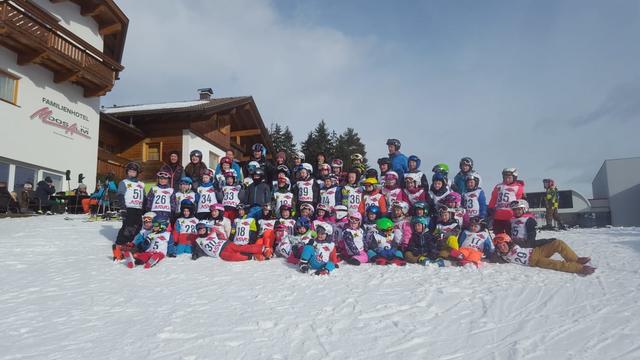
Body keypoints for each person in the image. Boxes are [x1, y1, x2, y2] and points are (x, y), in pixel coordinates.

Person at [492, 233, 595, 275]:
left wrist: (548, 241)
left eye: (503, 244)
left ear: (509, 243)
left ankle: (575, 259)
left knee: (558, 243)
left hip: (537, 251)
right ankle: (579, 268)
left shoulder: (516, 244)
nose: (502, 247)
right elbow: (491, 257)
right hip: (535, 261)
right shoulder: (502, 256)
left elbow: (533, 243)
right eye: (499, 246)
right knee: (556, 264)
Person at [192, 222, 271, 262]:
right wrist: (195, 255)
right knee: (232, 257)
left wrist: (214, 230)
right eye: (200, 231)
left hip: (225, 244)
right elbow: (198, 250)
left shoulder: (212, 233)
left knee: (240, 248)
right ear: (198, 232)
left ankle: (263, 249)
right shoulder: (198, 241)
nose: (202, 231)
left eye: (203, 230)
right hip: (220, 253)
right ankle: (252, 257)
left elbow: (221, 235)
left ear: (206, 229)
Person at [114, 162, 146, 259]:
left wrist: (145, 208)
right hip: (129, 208)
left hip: (138, 208)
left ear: (137, 173)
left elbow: (144, 197)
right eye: (130, 171)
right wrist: (123, 207)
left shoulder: (141, 184)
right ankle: (119, 245)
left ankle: (131, 246)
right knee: (127, 227)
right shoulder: (124, 182)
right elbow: (120, 195)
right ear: (127, 172)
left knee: (138, 227)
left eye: (134, 172)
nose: (132, 173)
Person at [488, 168, 525, 234]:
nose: (507, 179)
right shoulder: (498, 186)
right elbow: (493, 198)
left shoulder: (518, 187)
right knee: (498, 236)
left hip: (510, 215)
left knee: (510, 235)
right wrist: (490, 209)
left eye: (509, 178)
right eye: (505, 178)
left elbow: (519, 201)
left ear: (514, 177)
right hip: (498, 215)